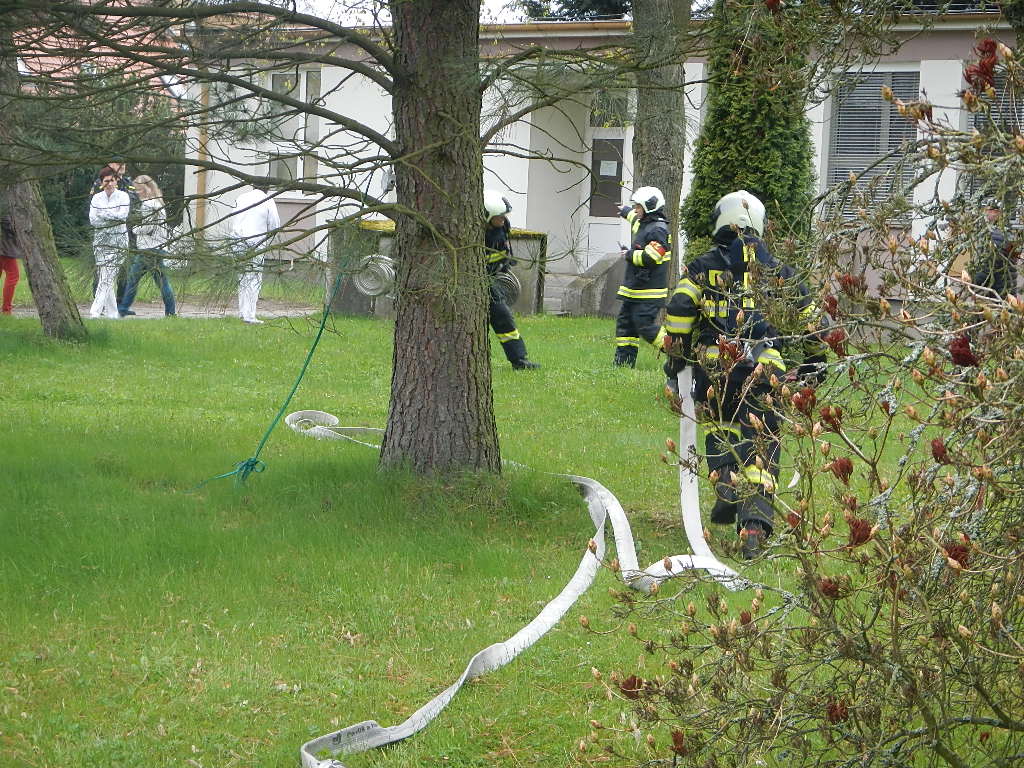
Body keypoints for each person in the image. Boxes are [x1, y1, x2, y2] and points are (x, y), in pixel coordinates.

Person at [660, 190, 827, 559]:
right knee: (762, 442)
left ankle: (725, 487)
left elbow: (679, 308)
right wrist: (816, 366)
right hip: (764, 373)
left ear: (721, 219)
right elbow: (814, 321)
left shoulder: (702, 267)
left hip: (715, 370)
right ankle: (754, 528)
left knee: (718, 426)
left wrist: (676, 363)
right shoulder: (776, 270)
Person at [613, 186, 672, 367]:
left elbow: (651, 257)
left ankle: (676, 350)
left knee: (644, 326)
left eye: (638, 207)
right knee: (626, 325)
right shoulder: (646, 223)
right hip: (636, 289)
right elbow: (636, 221)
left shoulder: (659, 230)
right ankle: (623, 364)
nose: (636, 210)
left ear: (649, 207)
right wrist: (625, 211)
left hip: (649, 292)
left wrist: (628, 254)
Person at [484, 190, 539, 370]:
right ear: (486, 216)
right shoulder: (477, 235)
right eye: (498, 217)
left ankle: (519, 360)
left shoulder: (501, 228)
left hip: (491, 281)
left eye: (503, 216)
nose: (502, 220)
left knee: (503, 318)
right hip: (476, 282)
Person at [117, 175, 176, 317]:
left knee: (133, 279)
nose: (137, 192)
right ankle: (170, 312)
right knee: (161, 282)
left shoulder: (148, 204)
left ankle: (123, 308)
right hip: (158, 247)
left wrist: (135, 229)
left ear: (146, 188)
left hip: (148, 249)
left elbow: (148, 227)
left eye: (138, 189)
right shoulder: (159, 203)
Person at [89, 157, 139, 311]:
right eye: (119, 163)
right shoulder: (100, 183)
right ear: (110, 165)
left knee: (123, 270)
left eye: (124, 163)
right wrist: (112, 214)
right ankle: (101, 306)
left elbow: (131, 205)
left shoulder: (128, 183)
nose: (123, 166)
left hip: (125, 231)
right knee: (103, 272)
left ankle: (120, 304)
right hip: (103, 233)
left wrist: (107, 213)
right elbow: (93, 212)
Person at [230, 182, 280, 324]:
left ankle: (242, 311)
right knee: (254, 278)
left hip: (237, 240)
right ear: (267, 188)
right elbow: (275, 224)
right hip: (256, 241)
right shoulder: (268, 200)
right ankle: (250, 315)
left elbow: (233, 217)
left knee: (242, 277)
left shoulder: (241, 197)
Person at [971, 199, 1018, 298]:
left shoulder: (997, 235)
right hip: (1005, 289)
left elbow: (989, 266)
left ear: (997, 212)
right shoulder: (1006, 232)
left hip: (999, 290)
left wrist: (971, 280)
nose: (985, 213)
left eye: (988, 210)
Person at [0, 212, 23, 315]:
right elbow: (8, 224)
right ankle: (6, 310)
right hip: (4, 249)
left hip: (4, 248)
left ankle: (6, 309)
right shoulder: (6, 202)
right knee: (13, 276)